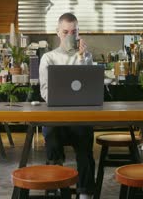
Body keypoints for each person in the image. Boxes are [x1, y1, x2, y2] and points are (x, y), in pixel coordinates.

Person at [39, 13, 95, 199]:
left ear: (79, 33)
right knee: (52, 135)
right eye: (65, 32)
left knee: (85, 144)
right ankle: (55, 186)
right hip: (56, 119)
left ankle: (84, 192)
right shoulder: (49, 58)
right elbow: (45, 93)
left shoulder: (86, 57)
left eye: (74, 32)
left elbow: (88, 88)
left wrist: (81, 58)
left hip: (79, 119)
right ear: (58, 33)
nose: (70, 36)